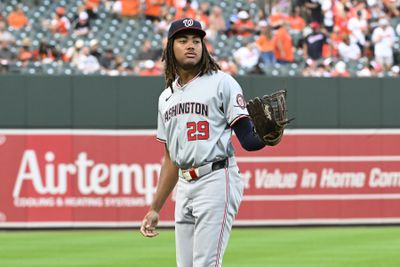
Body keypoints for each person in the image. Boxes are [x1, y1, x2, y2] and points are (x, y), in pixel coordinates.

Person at [140, 18, 273, 267]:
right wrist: (155, 208)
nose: (191, 45)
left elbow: (248, 139)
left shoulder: (221, 82)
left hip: (216, 177)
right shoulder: (166, 97)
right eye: (183, 40)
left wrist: (265, 137)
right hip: (185, 184)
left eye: (196, 40)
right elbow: (171, 158)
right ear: (170, 48)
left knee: (205, 264)